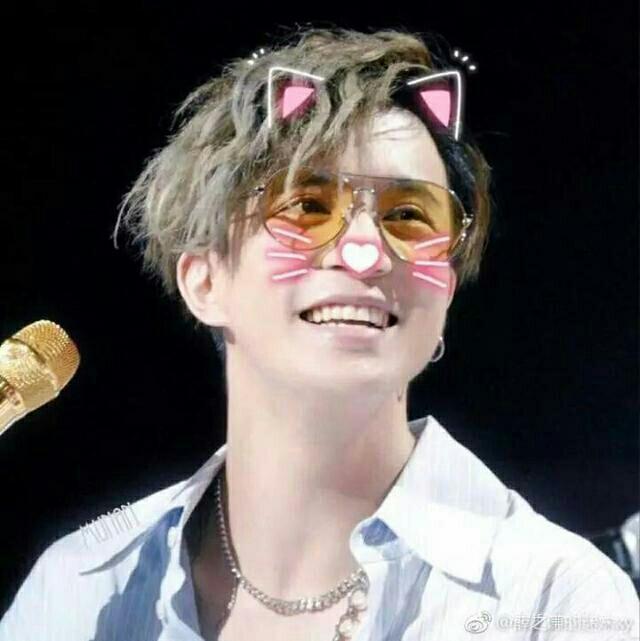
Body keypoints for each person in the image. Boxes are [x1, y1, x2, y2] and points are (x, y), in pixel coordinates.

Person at [1, 27, 638, 641]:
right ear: (204, 281)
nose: (366, 253)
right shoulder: (79, 591)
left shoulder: (556, 600)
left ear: (444, 289)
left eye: (409, 215)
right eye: (307, 206)